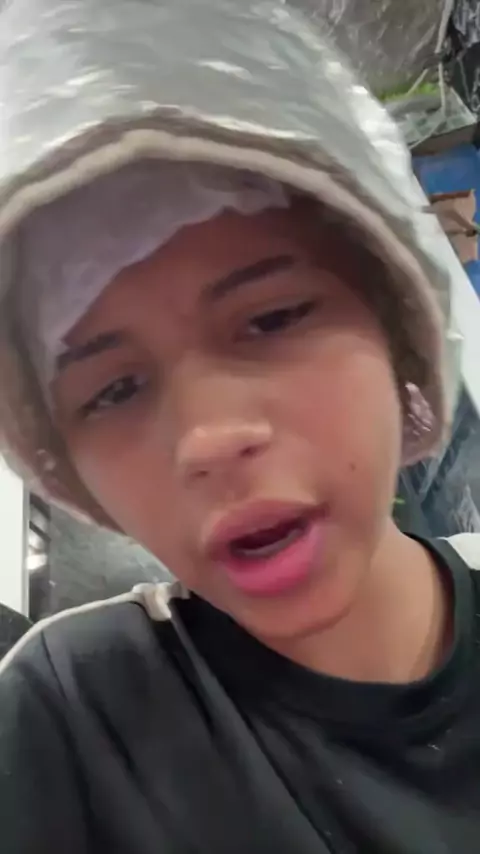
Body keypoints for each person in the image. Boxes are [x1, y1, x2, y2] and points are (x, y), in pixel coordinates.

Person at [0, 1, 479, 852]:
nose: (209, 439)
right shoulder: (69, 720)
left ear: (395, 316)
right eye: (114, 390)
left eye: (272, 318)